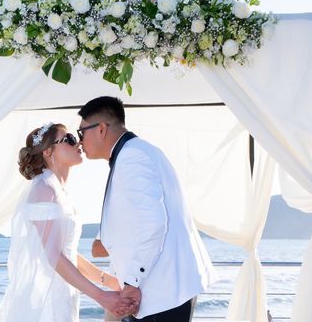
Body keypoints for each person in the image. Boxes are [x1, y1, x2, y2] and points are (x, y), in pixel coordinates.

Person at [78, 97, 216, 321]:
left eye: (81, 132)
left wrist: (132, 281)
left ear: (101, 129)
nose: (79, 142)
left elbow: (153, 224)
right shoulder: (137, 152)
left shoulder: (132, 157)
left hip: (161, 290)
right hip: (162, 289)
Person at [0, 122, 135, 322]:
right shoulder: (44, 190)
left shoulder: (57, 190)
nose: (77, 143)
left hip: (63, 295)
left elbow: (66, 252)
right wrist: (102, 297)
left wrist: (108, 281)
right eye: (68, 139)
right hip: (46, 300)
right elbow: (53, 256)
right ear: (48, 152)